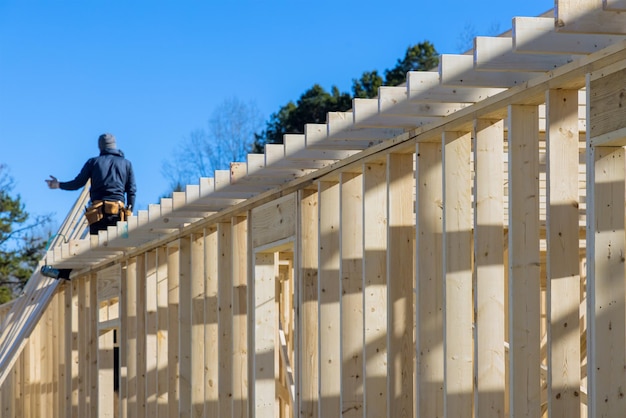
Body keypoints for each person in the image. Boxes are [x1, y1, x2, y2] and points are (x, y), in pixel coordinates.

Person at [46, 133, 137, 235]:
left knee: (97, 247)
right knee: (121, 247)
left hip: (98, 214)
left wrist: (58, 184)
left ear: (100, 146)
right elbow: (131, 190)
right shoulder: (126, 164)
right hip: (119, 214)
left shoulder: (93, 162)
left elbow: (77, 183)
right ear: (114, 145)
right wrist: (130, 211)